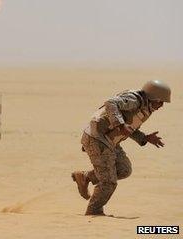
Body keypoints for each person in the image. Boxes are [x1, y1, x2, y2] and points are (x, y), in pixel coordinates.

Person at [71, 80, 171, 216]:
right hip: (97, 139)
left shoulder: (145, 107)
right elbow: (110, 103)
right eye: (161, 102)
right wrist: (120, 124)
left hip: (109, 141)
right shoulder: (134, 100)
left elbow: (128, 127)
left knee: (124, 169)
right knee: (109, 182)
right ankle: (94, 211)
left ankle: (85, 177)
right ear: (154, 97)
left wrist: (145, 138)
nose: (161, 106)